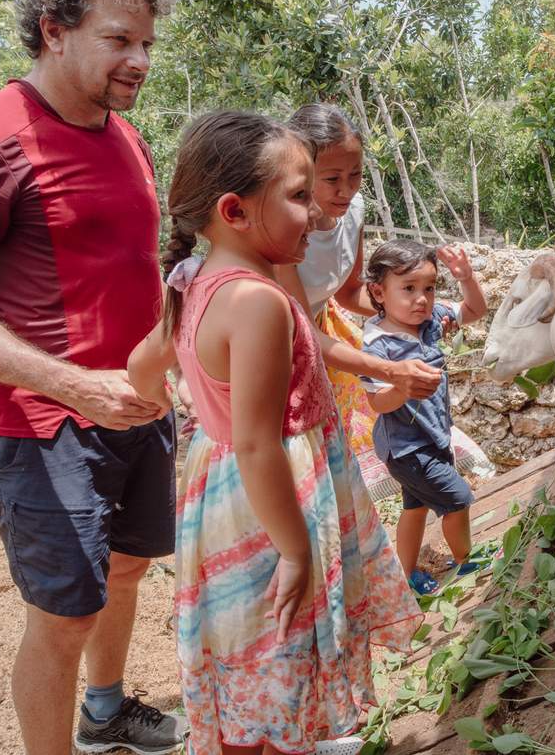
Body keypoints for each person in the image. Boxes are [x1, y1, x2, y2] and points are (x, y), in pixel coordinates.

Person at [0, 0, 186, 755]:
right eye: (118, 40)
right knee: (63, 614)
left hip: (134, 408)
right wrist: (72, 384)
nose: (139, 60)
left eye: (146, 44)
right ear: (54, 30)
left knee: (127, 570)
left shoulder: (124, 136)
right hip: (41, 423)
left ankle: (105, 711)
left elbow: (133, 271)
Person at [128, 111, 420, 755]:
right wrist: (295, 550)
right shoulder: (257, 302)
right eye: (297, 195)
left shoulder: (192, 280)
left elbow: (141, 367)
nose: (316, 212)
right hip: (270, 505)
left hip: (221, 497)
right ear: (234, 210)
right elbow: (259, 442)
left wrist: (176, 406)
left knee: (250, 653)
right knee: (281, 647)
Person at [277, 104, 442, 498]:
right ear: (299, 172)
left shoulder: (354, 213)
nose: (346, 190)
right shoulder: (282, 227)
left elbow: (351, 292)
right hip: (283, 346)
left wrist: (415, 307)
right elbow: (300, 332)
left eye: (356, 175)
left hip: (318, 332)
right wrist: (389, 370)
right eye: (332, 178)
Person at [360, 240, 488, 595]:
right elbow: (377, 402)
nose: (421, 299)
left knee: (414, 508)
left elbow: (475, 309)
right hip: (406, 448)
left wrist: (465, 277)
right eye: (409, 289)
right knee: (459, 498)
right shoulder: (378, 346)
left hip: (431, 437)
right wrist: (402, 387)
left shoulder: (431, 320)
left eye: (429, 289)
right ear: (378, 292)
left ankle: (409, 573)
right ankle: (465, 561)